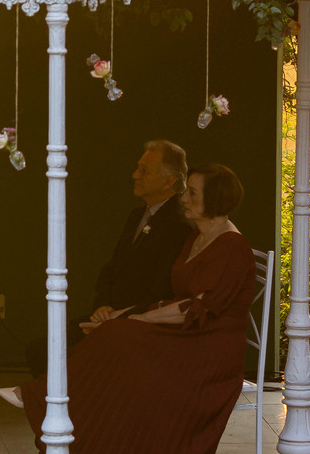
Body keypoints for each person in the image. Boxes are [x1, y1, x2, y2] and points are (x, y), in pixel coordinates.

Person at [20, 163, 257, 454]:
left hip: (209, 349)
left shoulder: (232, 246)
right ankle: (78, 434)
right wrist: (126, 313)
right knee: (113, 336)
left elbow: (195, 307)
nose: (185, 198)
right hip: (189, 335)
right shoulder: (197, 236)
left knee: (119, 338)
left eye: (192, 193)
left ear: (215, 200)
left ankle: (42, 399)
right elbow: (175, 297)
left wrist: (140, 320)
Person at [20, 139, 189, 381]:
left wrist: (115, 317)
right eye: (137, 167)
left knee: (53, 353)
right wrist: (102, 305)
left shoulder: (177, 225)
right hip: (109, 315)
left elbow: (162, 291)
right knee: (42, 350)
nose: (134, 175)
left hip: (138, 323)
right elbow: (112, 269)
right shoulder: (136, 216)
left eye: (144, 170)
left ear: (169, 180)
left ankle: (75, 411)